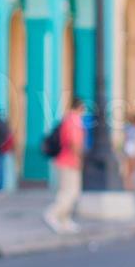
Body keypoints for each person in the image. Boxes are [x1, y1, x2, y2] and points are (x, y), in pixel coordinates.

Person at [43, 97, 86, 233]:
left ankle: (65, 220)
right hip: (69, 161)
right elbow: (74, 143)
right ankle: (53, 214)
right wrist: (80, 158)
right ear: (80, 108)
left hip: (63, 160)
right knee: (71, 192)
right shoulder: (74, 121)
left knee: (67, 191)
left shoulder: (67, 119)